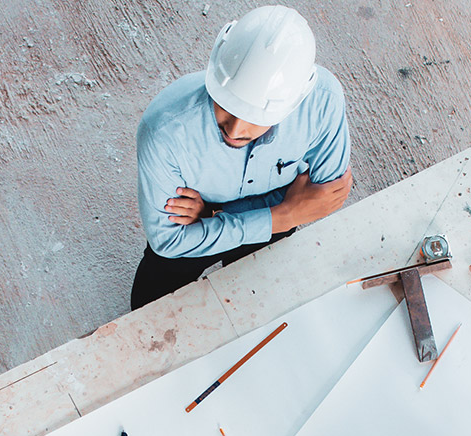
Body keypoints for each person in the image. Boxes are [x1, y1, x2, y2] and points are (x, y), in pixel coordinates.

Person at [130, 5, 352, 310]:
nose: (235, 129)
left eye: (256, 117)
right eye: (227, 105)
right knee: (146, 313)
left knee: (253, 315)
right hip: (263, 221)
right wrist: (284, 213)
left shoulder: (322, 102)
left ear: (295, 102)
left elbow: (326, 198)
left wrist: (212, 211)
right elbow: (169, 241)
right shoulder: (165, 131)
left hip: (207, 222)